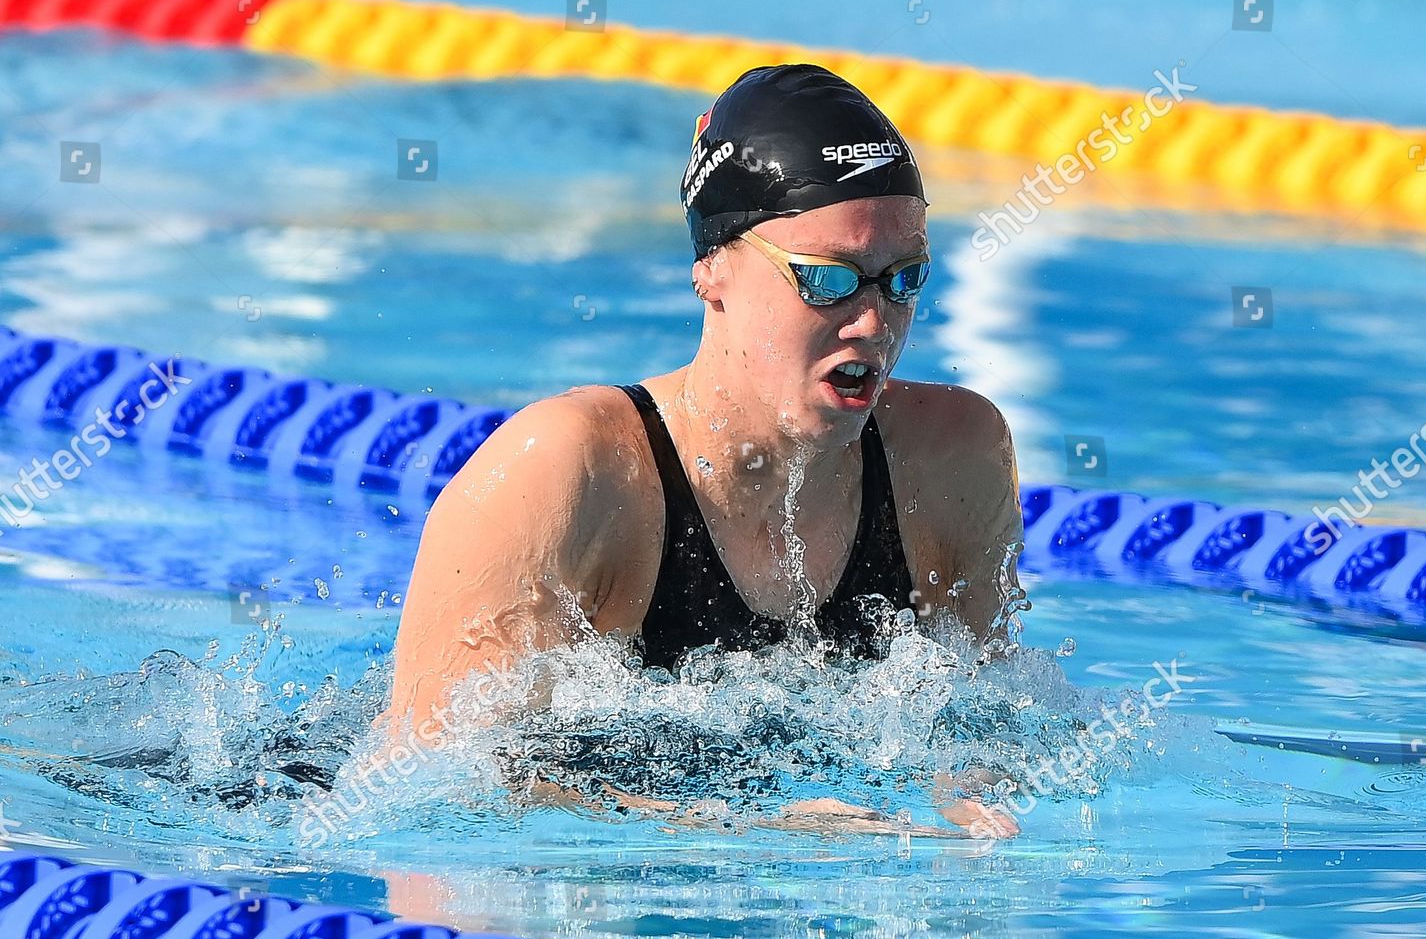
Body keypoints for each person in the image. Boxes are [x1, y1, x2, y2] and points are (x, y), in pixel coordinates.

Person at [382, 64, 1025, 838]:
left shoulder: (952, 456)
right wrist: (745, 830)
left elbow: (986, 712)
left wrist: (970, 802)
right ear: (712, 269)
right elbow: (435, 787)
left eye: (904, 278)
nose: (873, 321)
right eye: (827, 279)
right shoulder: (570, 469)